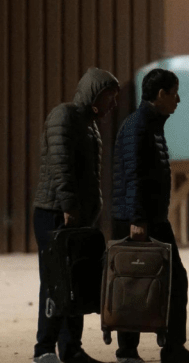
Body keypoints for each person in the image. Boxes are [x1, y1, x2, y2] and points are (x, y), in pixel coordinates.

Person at [111, 69, 189, 363]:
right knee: (135, 282)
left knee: (152, 281)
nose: (178, 100)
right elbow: (134, 175)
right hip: (140, 220)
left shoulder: (151, 125)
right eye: (174, 93)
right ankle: (135, 351)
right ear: (161, 94)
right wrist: (138, 219)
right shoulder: (140, 126)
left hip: (149, 217)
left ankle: (168, 348)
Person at [32, 67, 120, 363]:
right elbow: (61, 166)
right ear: (95, 94)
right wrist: (69, 208)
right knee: (55, 282)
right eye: (110, 97)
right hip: (55, 214)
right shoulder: (65, 116)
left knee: (77, 283)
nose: (113, 104)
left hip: (78, 217)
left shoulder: (89, 125)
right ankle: (44, 350)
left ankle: (71, 350)